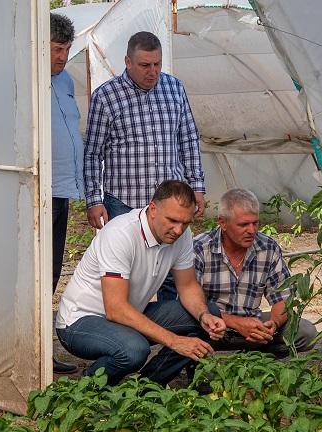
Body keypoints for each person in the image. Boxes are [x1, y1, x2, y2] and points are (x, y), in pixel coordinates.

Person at [54, 180, 226, 385]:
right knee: (134, 350)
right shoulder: (120, 233)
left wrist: (203, 315)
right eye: (172, 220)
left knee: (209, 314)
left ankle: (146, 387)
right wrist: (175, 341)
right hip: (79, 321)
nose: (178, 230)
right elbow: (115, 309)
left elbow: (187, 285)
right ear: (152, 209)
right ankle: (86, 388)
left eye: (185, 223)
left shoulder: (181, 235)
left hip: (128, 313)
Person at [82, 31, 206, 300]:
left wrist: (197, 186)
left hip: (169, 204)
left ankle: (172, 327)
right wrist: (93, 200)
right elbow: (92, 153)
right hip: (124, 202)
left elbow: (188, 139)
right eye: (145, 65)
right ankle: (124, 325)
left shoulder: (174, 88)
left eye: (157, 64)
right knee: (123, 274)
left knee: (173, 276)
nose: (153, 72)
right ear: (128, 62)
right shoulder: (106, 96)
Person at [193, 189, 318, 358]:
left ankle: (253, 359)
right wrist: (236, 323)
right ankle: (198, 365)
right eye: (243, 224)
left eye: (255, 223)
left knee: (305, 332)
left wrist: (273, 324)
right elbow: (191, 304)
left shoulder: (267, 247)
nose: (251, 230)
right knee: (184, 328)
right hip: (211, 328)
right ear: (223, 223)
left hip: (252, 326)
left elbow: (283, 299)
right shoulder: (200, 248)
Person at [50, 13, 84, 374]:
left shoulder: (64, 80)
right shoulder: (23, 80)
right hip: (35, 191)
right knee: (33, 273)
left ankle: (42, 350)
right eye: (57, 49)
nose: (63, 57)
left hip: (60, 191)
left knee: (52, 270)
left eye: (66, 49)